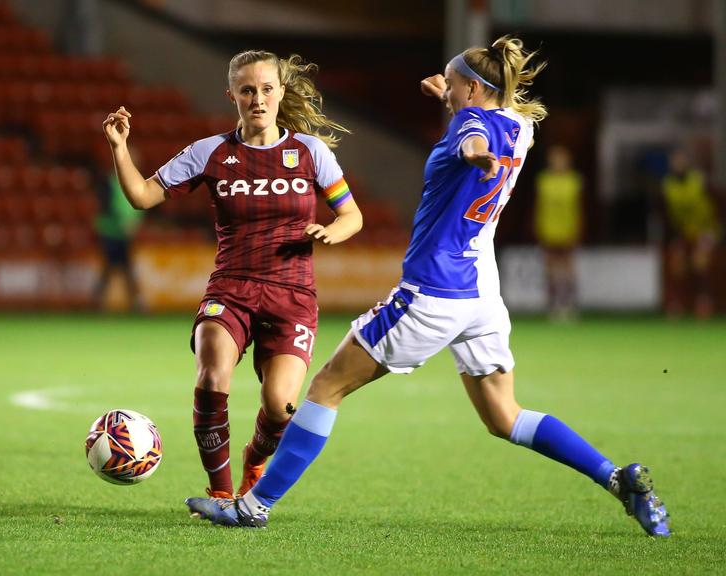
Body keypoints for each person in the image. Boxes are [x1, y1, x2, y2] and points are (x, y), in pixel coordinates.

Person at [184, 35, 670, 538]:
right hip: (482, 294)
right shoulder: (521, 126)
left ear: (473, 92)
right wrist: (452, 96)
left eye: (453, 84)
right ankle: (616, 479)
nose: (447, 91)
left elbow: (471, 136)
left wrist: (473, 148)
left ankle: (253, 506)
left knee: (327, 387)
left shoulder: (471, 125)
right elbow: (483, 116)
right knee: (505, 416)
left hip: (432, 293)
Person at [102, 50, 363, 500]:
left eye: (266, 89)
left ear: (280, 92)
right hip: (231, 288)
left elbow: (352, 215)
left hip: (293, 294)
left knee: (281, 409)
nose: (257, 99)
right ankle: (220, 493)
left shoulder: (310, 152)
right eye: (247, 90)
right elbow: (143, 197)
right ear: (232, 96)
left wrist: (333, 231)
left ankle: (255, 458)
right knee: (212, 376)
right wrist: (119, 147)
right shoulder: (210, 152)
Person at [661, 148, 721, 319]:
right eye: (674, 161)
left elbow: (715, 202)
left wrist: (712, 229)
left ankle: (704, 303)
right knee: (677, 266)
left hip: (705, 228)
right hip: (683, 230)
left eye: (680, 161)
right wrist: (673, 233)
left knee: (700, 264)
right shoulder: (668, 184)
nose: (677, 164)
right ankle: (676, 305)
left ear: (687, 162)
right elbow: (668, 211)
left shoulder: (698, 180)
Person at [533, 144, 583, 321]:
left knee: (568, 270)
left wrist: (577, 230)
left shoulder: (574, 180)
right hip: (548, 230)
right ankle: (552, 305)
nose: (558, 163)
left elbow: (578, 208)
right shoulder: (543, 180)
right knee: (550, 271)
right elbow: (539, 207)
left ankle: (569, 304)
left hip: (568, 230)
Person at [92, 149, 144, 312]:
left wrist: (133, 224)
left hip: (126, 234)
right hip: (110, 232)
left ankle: (134, 303)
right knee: (113, 267)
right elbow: (107, 206)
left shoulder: (137, 181)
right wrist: (123, 222)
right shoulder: (109, 182)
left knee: (123, 268)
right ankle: (99, 302)